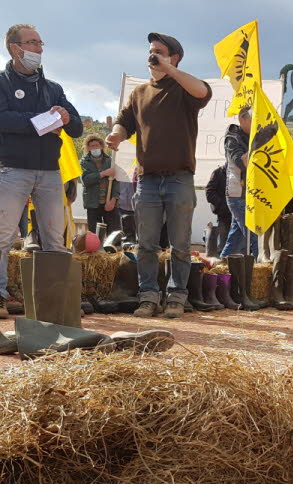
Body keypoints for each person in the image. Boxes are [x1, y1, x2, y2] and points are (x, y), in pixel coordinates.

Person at [108, 32, 211, 318]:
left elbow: (203, 92)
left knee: (180, 243)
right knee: (146, 245)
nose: (151, 55)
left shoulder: (184, 89)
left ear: (174, 57)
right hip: (148, 179)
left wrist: (169, 70)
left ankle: (177, 297)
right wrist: (116, 136)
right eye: (150, 51)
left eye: (159, 51)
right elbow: (124, 122)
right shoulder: (139, 92)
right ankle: (149, 297)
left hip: (180, 177)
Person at [0, 23, 83, 307]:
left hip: (50, 171)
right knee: (3, 234)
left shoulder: (53, 88)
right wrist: (43, 122)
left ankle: (57, 298)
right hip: (14, 169)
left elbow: (75, 126)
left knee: (54, 236)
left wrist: (63, 118)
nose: (39, 49)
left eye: (40, 43)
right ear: (15, 49)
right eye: (32, 43)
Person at [220, 106, 257, 257]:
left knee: (235, 238)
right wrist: (259, 144)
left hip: (251, 194)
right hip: (237, 194)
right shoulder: (232, 139)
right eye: (252, 119)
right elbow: (241, 163)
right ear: (242, 119)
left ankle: (222, 262)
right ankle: (258, 266)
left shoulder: (253, 136)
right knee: (252, 234)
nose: (256, 123)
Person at [79, 135, 119, 235]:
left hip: (108, 203)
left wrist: (113, 200)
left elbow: (117, 182)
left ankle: (111, 250)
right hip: (92, 204)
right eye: (92, 146)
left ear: (101, 146)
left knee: (112, 233)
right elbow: (85, 180)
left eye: (96, 145)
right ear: (88, 148)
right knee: (94, 234)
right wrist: (104, 174)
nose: (94, 148)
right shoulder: (83, 163)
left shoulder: (110, 161)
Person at [204, 165, 231, 255]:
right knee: (223, 243)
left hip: (240, 215)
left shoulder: (242, 172)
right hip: (224, 216)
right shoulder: (218, 173)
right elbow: (209, 192)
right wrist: (222, 205)